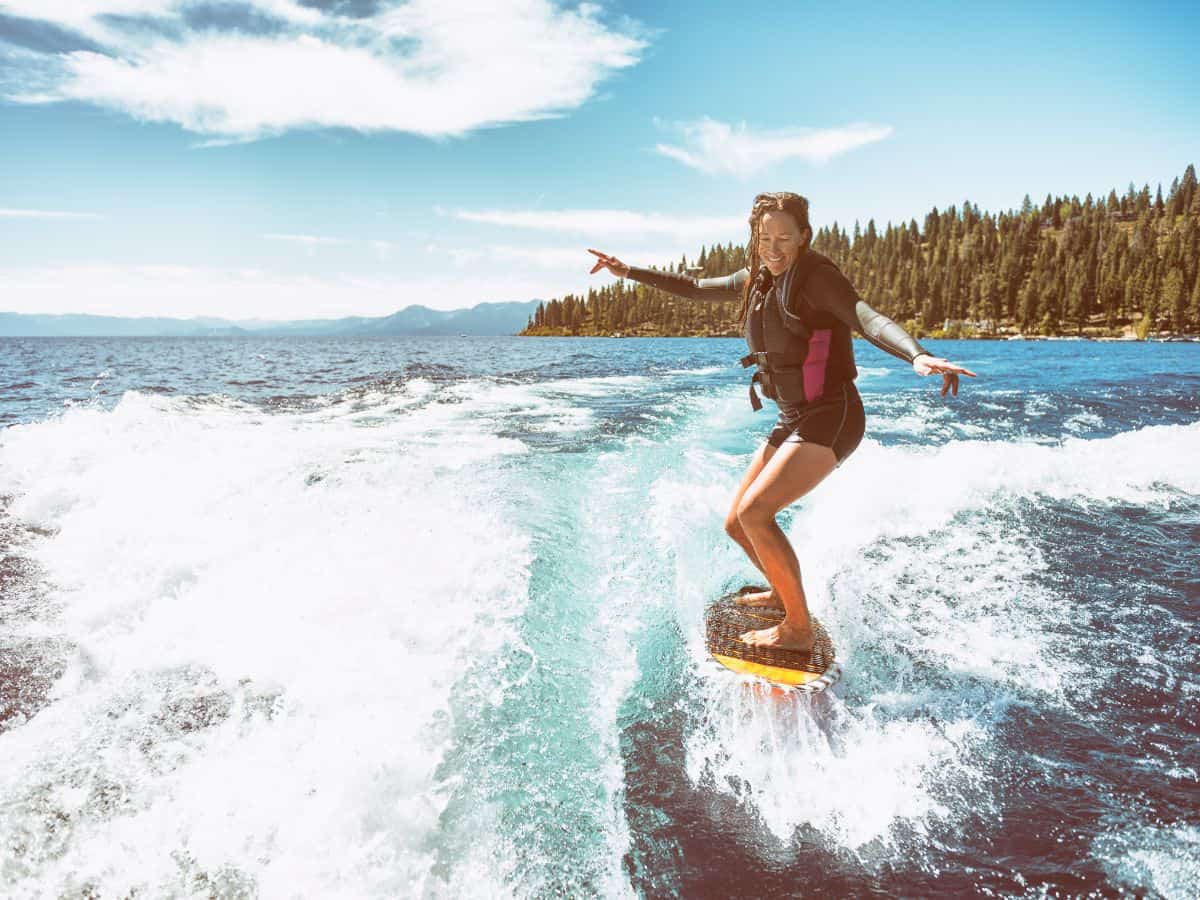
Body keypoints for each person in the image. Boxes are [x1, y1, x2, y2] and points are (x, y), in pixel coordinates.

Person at [587, 191, 976, 653]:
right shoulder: (755, 278)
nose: (773, 249)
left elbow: (866, 317)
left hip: (832, 415)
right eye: (764, 238)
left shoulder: (817, 279)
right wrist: (628, 271)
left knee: (756, 514)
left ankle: (798, 629)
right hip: (794, 415)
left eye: (784, 238)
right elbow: (694, 287)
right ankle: (780, 592)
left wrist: (917, 355)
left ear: (804, 236)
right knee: (737, 523)